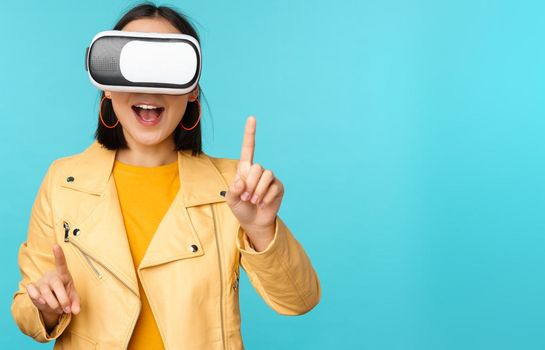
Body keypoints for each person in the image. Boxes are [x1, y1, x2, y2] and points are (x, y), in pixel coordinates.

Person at [10, 3, 321, 349]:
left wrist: (261, 229)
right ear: (107, 85)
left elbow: (299, 300)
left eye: (168, 68)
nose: (149, 87)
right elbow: (26, 308)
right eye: (131, 66)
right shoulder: (62, 181)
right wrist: (47, 308)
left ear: (191, 89)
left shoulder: (234, 188)